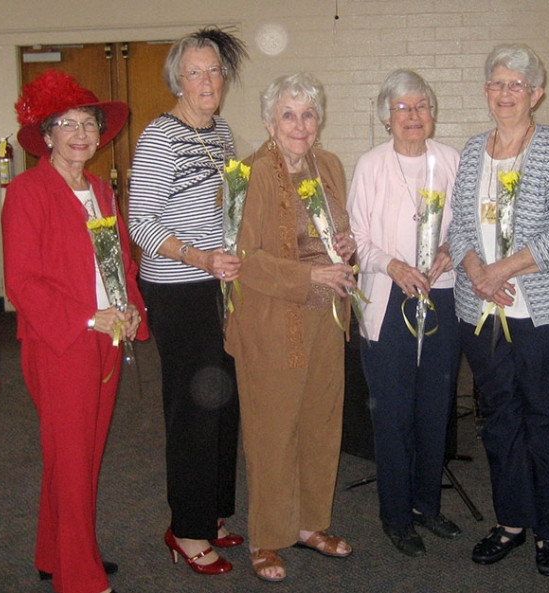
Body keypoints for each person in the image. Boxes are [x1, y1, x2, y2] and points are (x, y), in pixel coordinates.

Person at [447, 43, 549, 577]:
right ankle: (510, 520)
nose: (505, 94)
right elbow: (458, 226)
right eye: (496, 84)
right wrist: (478, 274)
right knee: (499, 419)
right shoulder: (471, 150)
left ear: (536, 93)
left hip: (548, 312)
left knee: (547, 419)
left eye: (516, 85)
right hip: (481, 310)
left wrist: (502, 270)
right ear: (486, 92)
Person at [3, 70, 147, 593]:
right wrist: (90, 316)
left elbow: (121, 264)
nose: (81, 134)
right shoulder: (27, 191)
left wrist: (128, 308)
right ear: (47, 135)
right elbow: (22, 280)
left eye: (89, 123)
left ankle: (53, 551)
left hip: (107, 336)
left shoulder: (102, 191)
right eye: (68, 124)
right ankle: (79, 577)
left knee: (78, 454)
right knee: (72, 456)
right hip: (61, 342)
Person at [224, 72, 356, 582]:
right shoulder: (248, 173)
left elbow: (339, 235)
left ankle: (310, 524)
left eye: (308, 114)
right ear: (268, 121)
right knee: (272, 432)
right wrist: (309, 275)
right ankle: (267, 537)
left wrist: (348, 249)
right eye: (288, 114)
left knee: (321, 423)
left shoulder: (330, 165)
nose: (299, 125)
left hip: (327, 317)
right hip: (271, 320)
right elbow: (243, 259)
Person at [126, 27, 248, 576]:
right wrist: (200, 258)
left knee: (224, 400)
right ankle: (187, 529)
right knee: (195, 406)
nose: (207, 81)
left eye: (215, 71)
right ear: (177, 78)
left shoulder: (222, 133)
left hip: (221, 284)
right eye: (196, 72)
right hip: (179, 288)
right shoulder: (158, 137)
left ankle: (213, 512)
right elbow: (141, 224)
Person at [347, 69, 462, 557]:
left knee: (434, 411)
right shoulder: (371, 165)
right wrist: (392, 264)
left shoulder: (452, 160)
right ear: (386, 116)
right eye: (402, 108)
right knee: (393, 414)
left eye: (421, 107)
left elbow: (469, 226)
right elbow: (356, 237)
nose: (413, 116)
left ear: (432, 114)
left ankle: (428, 507)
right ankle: (395, 514)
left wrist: (449, 252)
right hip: (388, 299)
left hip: (442, 294)